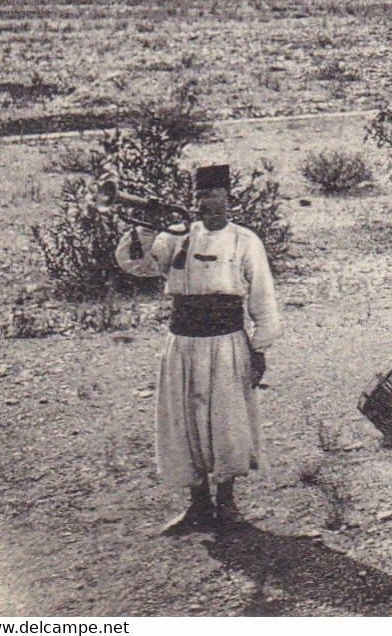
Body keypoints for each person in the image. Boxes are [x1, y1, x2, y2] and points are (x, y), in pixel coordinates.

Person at [114, 163, 281, 534]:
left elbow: (263, 298)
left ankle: (228, 503)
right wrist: (145, 224)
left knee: (226, 421)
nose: (203, 202)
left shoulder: (245, 240)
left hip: (226, 342)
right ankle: (197, 506)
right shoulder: (176, 235)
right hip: (183, 342)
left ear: (228, 198)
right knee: (183, 421)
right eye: (198, 195)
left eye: (210, 194)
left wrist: (260, 348)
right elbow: (138, 265)